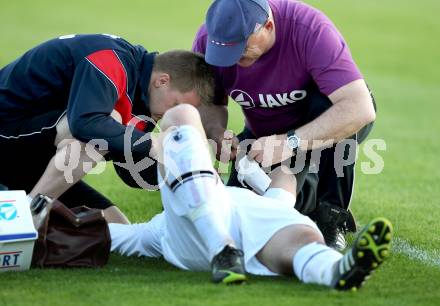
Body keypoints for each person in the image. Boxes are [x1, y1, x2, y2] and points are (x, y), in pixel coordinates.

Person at [109, 104, 392, 290]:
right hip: (200, 228)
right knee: (181, 114)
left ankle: (336, 270)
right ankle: (221, 247)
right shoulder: (162, 226)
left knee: (302, 241)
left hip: (250, 229)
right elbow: (116, 236)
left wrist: (256, 164)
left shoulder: (268, 203)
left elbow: (285, 177)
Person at [192, 0, 377, 250]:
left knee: (327, 105)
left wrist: (290, 142)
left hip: (318, 123)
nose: (233, 58)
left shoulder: (310, 30)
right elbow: (208, 102)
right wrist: (216, 132)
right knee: (245, 210)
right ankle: (307, 199)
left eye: (241, 47)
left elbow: (358, 107)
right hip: (265, 133)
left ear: (268, 26)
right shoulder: (209, 41)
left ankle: (332, 213)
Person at [0, 34, 215, 223]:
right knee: (101, 125)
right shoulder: (111, 59)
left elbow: (132, 169)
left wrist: (186, 165)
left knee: (117, 228)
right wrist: (151, 142)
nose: (172, 113)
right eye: (176, 104)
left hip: (32, 162)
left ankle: (25, 201)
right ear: (162, 81)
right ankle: (26, 216)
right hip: (7, 133)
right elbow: (86, 124)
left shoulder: (147, 97)